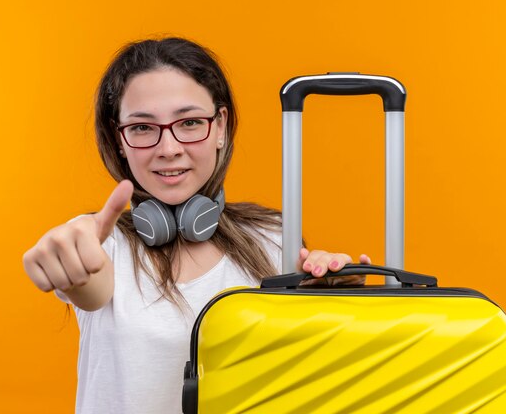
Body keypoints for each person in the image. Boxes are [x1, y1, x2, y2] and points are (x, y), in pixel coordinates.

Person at [22, 37, 371, 414]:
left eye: (189, 122)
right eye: (142, 128)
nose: (168, 148)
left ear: (220, 126)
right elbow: (88, 285)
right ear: (119, 139)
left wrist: (331, 301)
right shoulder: (102, 244)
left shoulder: (273, 239)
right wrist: (70, 262)